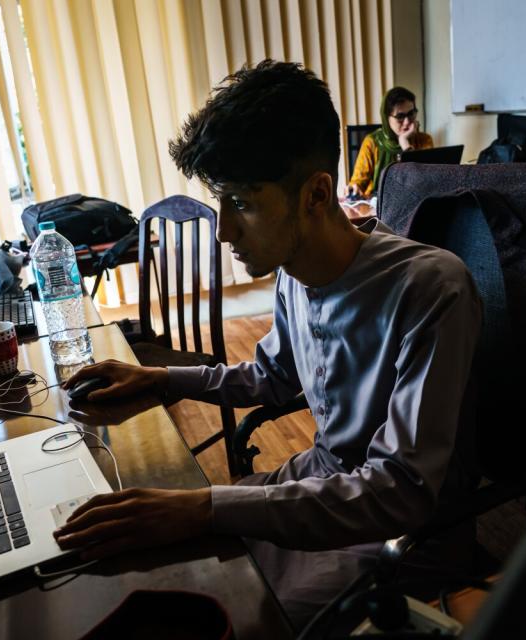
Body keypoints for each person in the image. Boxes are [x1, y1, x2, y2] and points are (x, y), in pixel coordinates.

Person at [55, 60, 481, 629]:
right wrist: (161, 379)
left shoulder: (430, 287)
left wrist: (205, 508)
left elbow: (400, 491)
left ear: (316, 193)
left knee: (240, 616)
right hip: (320, 482)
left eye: (241, 203)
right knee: (167, 573)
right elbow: (271, 377)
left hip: (396, 530)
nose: (224, 231)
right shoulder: (292, 271)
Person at [347, 86, 433, 199]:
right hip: (378, 206)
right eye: (400, 116)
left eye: (411, 113)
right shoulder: (372, 142)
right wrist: (354, 187)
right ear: (386, 118)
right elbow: (358, 182)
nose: (407, 122)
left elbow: (425, 181)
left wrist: (405, 145)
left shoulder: (424, 140)